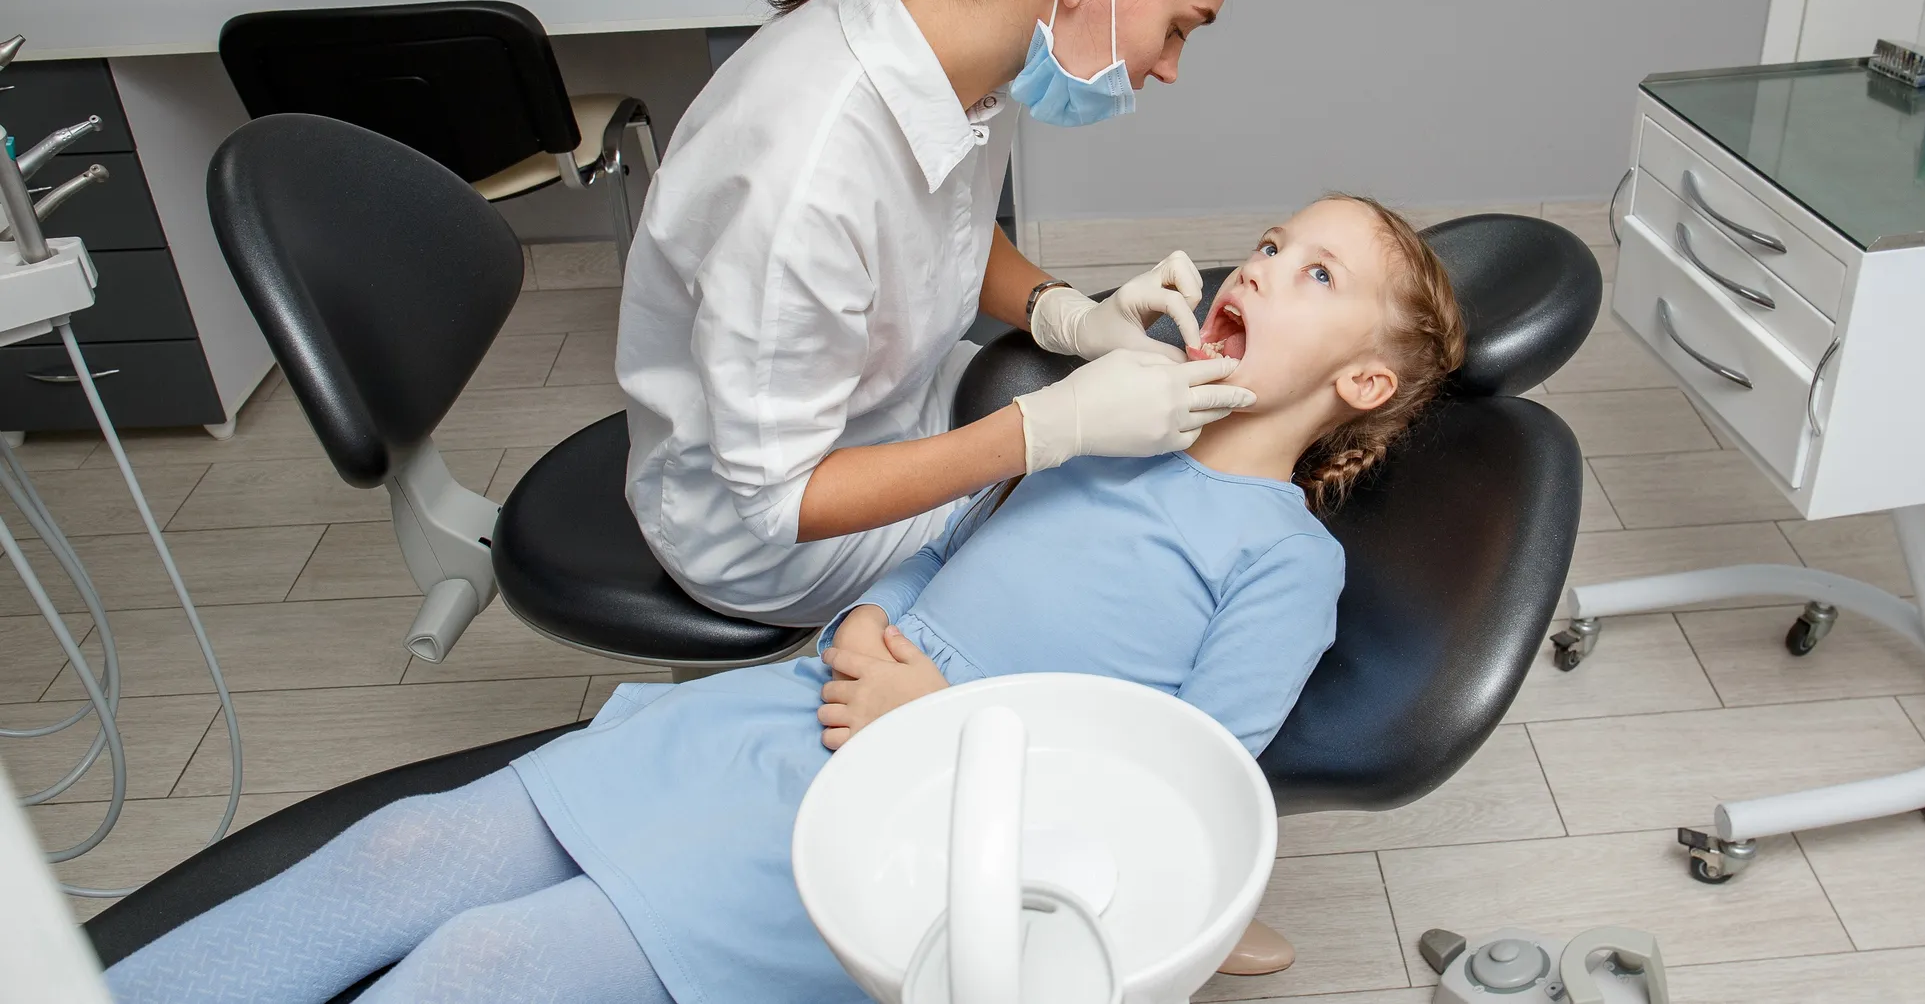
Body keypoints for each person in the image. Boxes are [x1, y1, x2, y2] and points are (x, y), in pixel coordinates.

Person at [106, 195, 1466, 1004]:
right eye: (1277, 240)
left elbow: (1187, 801)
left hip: (921, 821)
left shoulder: (1284, 562)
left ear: (1360, 385)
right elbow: (952, 557)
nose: (1264, 265)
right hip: (796, 713)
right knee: (406, 850)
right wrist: (870, 623)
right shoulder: (1117, 424)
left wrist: (942, 720)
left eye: (1318, 274)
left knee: (490, 965)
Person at [617, 0, 1268, 626]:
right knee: (1102, 547)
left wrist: (1069, 315)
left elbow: (938, 231)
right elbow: (782, 499)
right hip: (769, 535)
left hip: (892, 408)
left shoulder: (963, 27)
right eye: (1178, 27)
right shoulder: (810, 168)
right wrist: (1053, 430)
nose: (1167, 67)